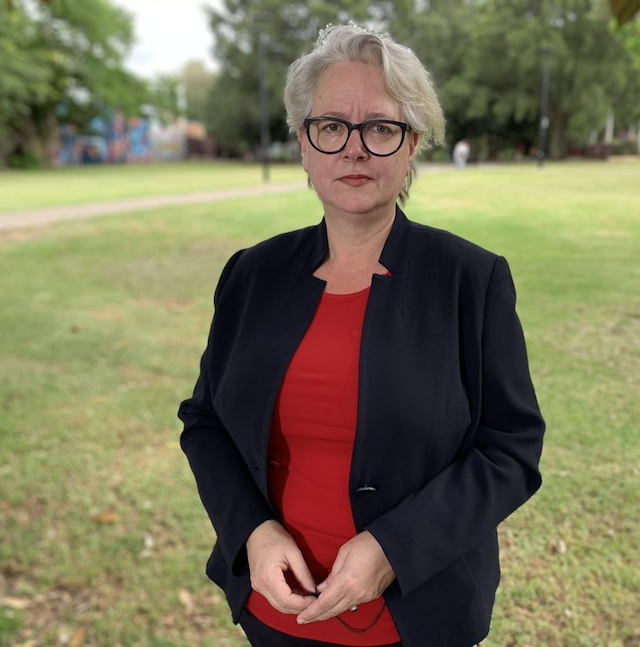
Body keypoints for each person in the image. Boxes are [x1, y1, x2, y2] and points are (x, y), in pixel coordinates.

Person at [178, 24, 544, 647]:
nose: (354, 149)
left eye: (380, 127)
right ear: (304, 143)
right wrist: (254, 535)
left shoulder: (471, 278)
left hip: (418, 617)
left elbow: (509, 450)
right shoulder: (250, 274)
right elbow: (205, 421)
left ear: (412, 145)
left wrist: (392, 549)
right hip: (274, 614)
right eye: (331, 127)